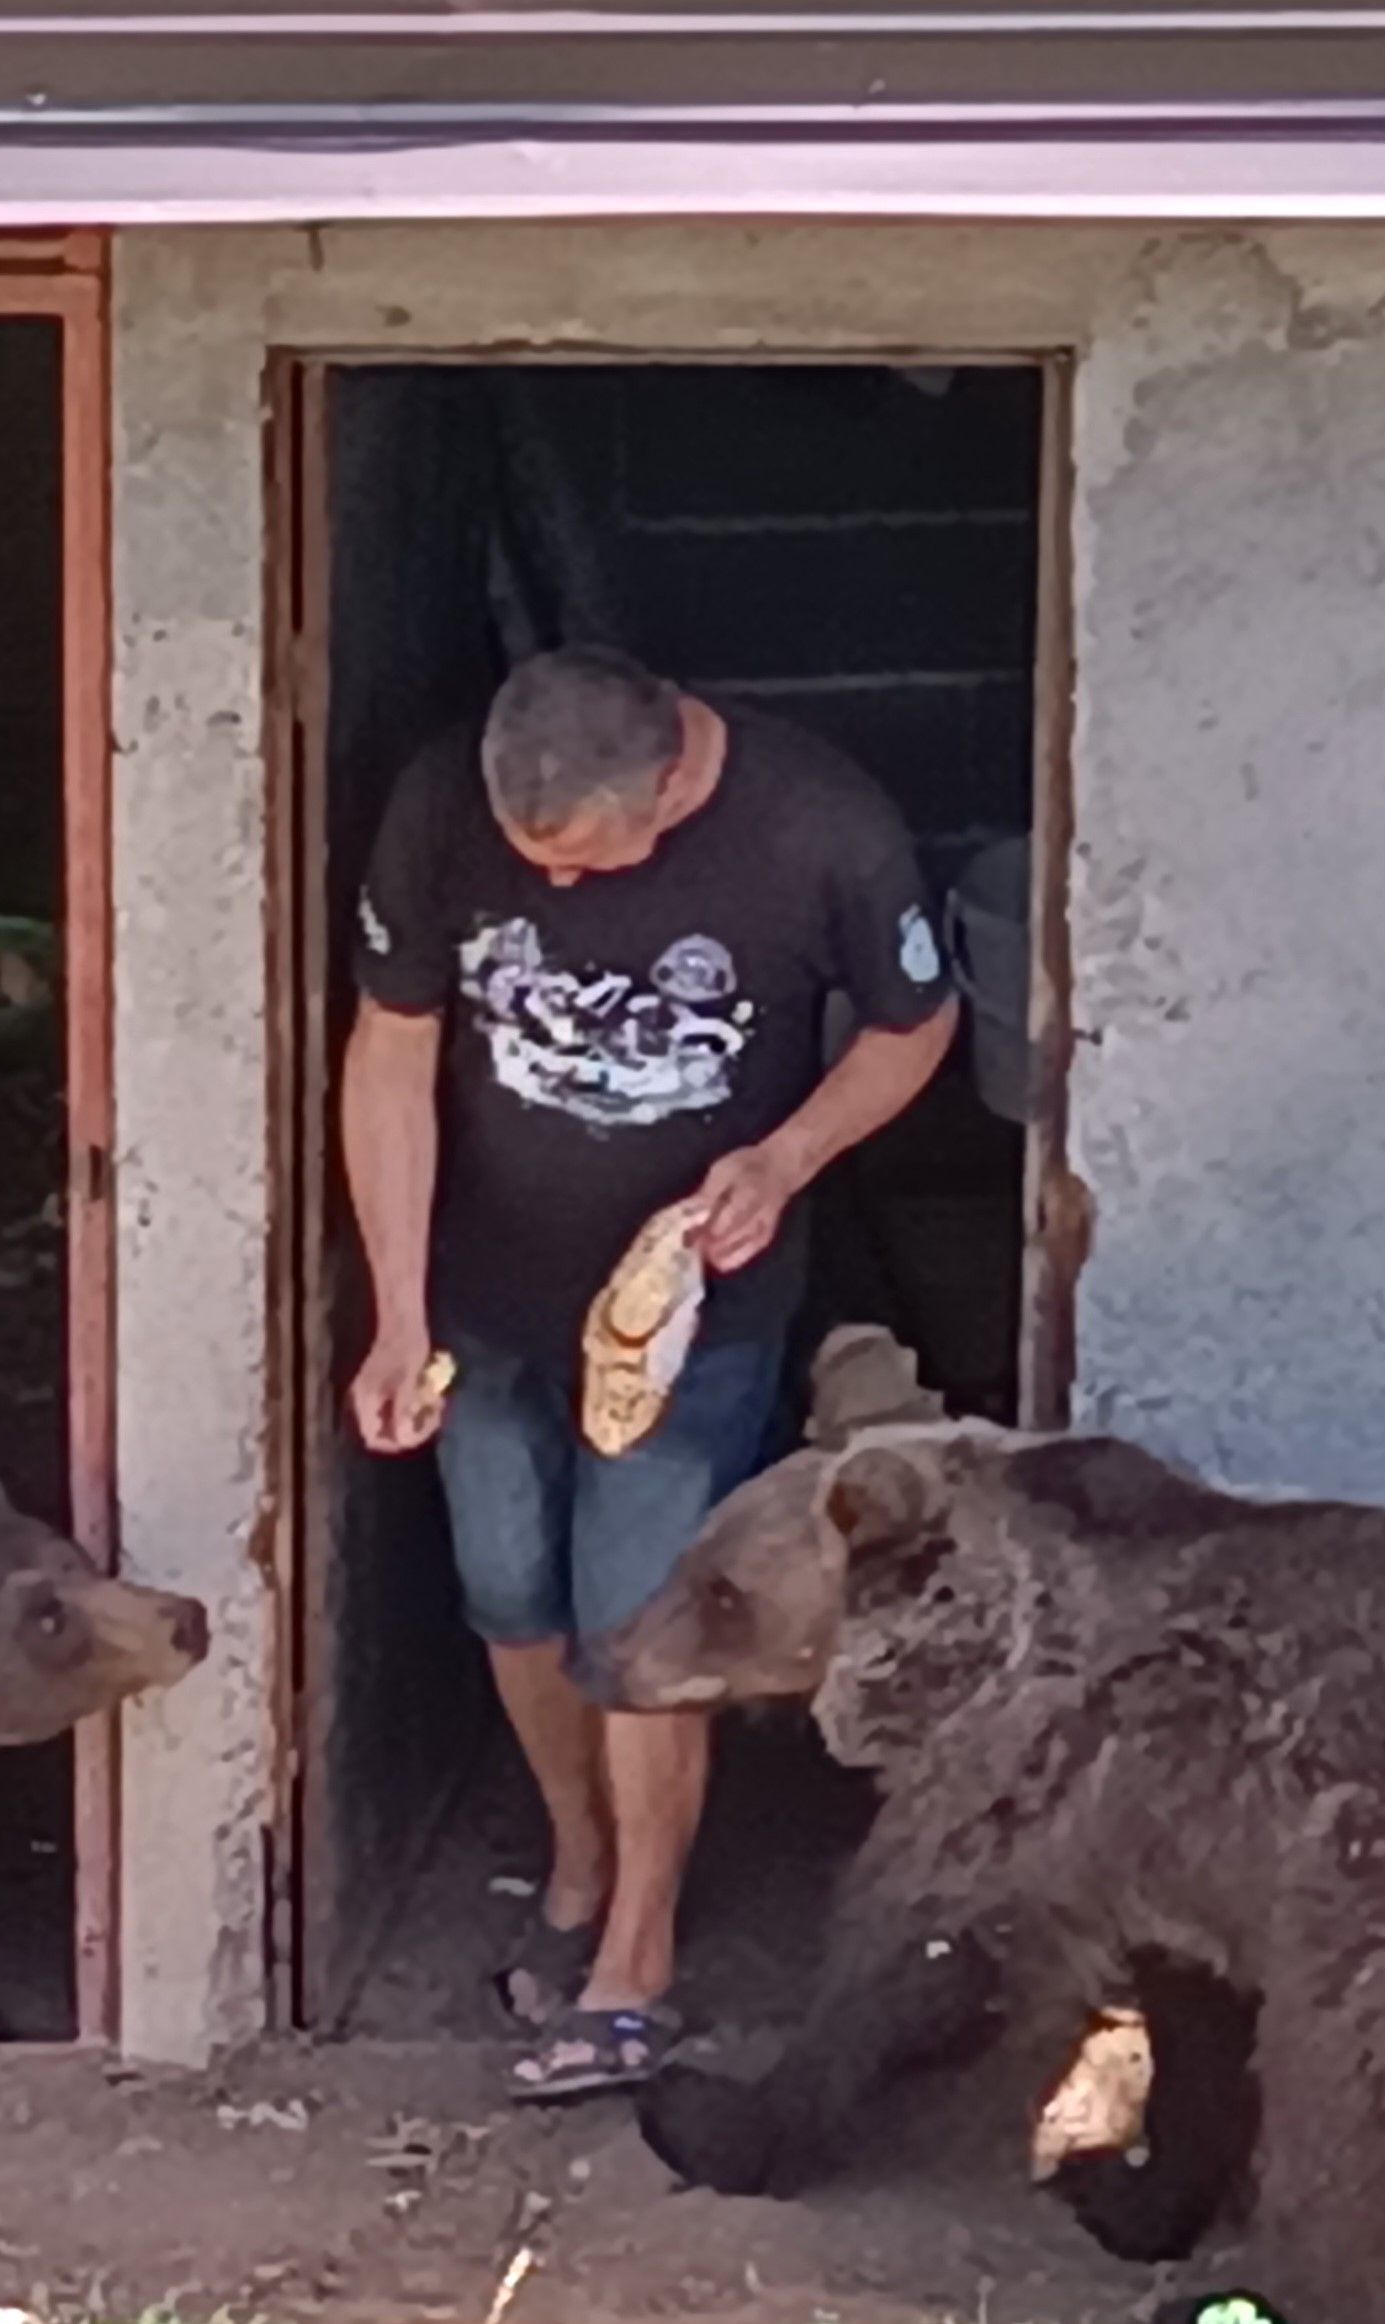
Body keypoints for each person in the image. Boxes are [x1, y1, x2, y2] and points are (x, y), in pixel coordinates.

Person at [340, 643, 961, 2100]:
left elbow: (915, 1022)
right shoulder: (440, 806)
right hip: (485, 1301)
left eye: (578, 861)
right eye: (526, 863)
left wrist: (788, 1155)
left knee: (636, 1620)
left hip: (699, 1318)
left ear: (670, 784)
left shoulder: (823, 827)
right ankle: (576, 1848)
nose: (550, 890)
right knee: (508, 1595)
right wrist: (395, 1306)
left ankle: (638, 1950)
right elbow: (388, 1053)